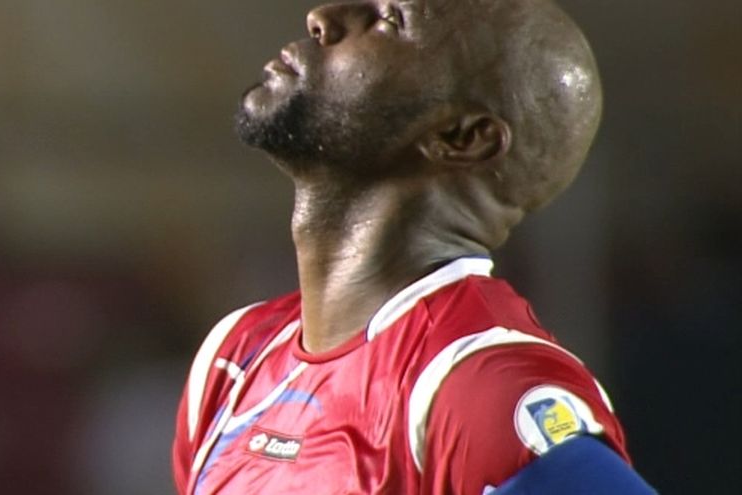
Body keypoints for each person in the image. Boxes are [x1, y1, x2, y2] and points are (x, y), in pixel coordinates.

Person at [173, 0, 656, 493]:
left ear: (461, 136)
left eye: (388, 21)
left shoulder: (480, 387)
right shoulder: (238, 356)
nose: (323, 17)